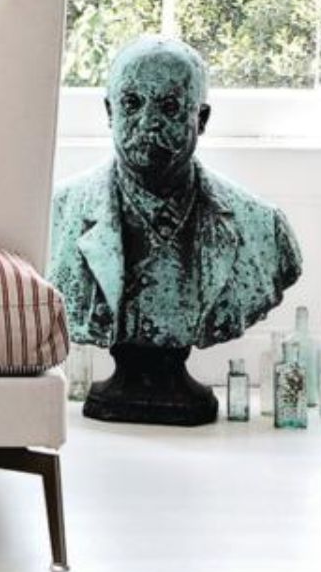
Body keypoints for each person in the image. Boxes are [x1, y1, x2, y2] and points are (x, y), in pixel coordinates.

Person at [49, 35, 302, 426]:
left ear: (200, 119)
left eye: (169, 107)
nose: (148, 123)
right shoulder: (55, 216)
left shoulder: (264, 229)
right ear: (109, 111)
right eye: (132, 104)